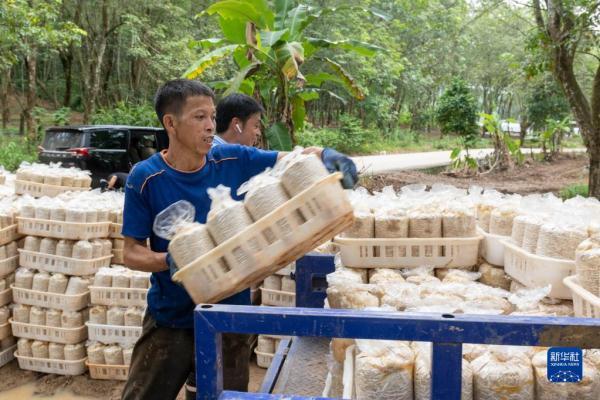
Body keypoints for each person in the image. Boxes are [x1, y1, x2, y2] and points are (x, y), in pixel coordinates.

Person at [120, 79, 357, 400]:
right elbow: (132, 253)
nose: (209, 126)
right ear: (170, 123)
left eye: (212, 116)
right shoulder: (146, 177)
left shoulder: (232, 159)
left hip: (229, 316)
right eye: (199, 117)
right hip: (171, 318)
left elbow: (295, 160)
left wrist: (325, 155)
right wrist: (171, 261)